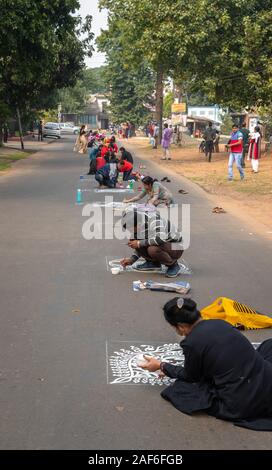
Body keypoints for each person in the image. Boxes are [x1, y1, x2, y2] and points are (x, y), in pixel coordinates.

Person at [140, 297, 272, 431]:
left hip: (242, 402)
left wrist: (161, 366)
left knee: (180, 390)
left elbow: (191, 376)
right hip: (266, 380)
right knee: (268, 346)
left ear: (180, 326)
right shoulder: (220, 323)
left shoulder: (192, 342)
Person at [121, 207, 183, 277]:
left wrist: (139, 243)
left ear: (138, 225)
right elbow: (141, 244)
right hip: (164, 244)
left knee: (152, 249)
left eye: (131, 229)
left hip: (176, 246)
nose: (130, 231)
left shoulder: (154, 220)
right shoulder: (140, 224)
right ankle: (153, 263)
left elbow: (160, 239)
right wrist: (132, 260)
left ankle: (173, 265)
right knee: (134, 239)